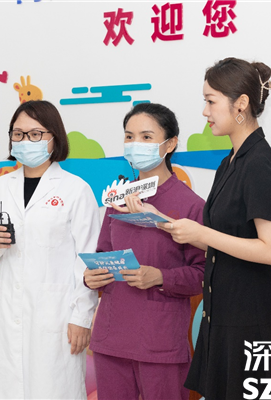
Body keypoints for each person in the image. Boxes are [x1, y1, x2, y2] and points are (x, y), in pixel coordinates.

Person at [154, 58, 271, 399]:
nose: (205, 112)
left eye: (211, 101)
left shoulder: (259, 162)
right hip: (223, 313)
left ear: (241, 104)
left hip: (251, 319)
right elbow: (226, 239)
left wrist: (202, 234)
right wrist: (158, 218)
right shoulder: (230, 162)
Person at [0, 100, 100, 399]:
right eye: (18, 134)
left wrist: (81, 317)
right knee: (7, 388)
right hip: (8, 310)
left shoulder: (75, 189)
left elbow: (88, 259)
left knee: (53, 389)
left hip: (56, 315)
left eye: (35, 134)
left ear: (54, 137)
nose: (25, 141)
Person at [84, 103, 206, 400]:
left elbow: (204, 274)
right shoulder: (117, 198)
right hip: (111, 337)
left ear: (171, 144)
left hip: (159, 341)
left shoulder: (190, 205)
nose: (135, 144)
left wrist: (160, 277)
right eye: (129, 136)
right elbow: (103, 253)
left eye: (146, 137)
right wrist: (91, 276)